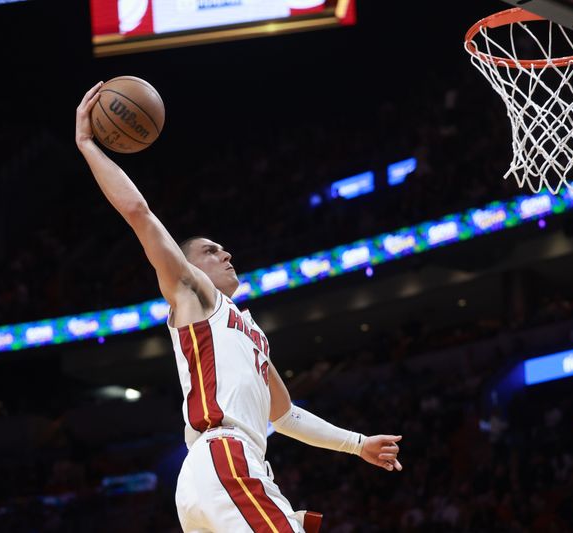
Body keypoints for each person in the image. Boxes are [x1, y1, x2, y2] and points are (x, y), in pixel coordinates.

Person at [75, 82, 403, 533]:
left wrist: (358, 443)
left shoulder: (249, 330)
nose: (226, 254)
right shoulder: (197, 296)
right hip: (223, 458)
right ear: (187, 266)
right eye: (211, 250)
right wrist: (88, 144)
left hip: (222, 471)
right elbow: (139, 212)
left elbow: (284, 415)